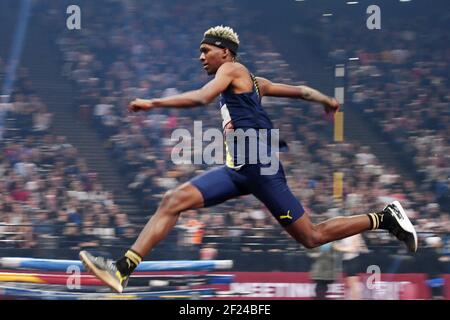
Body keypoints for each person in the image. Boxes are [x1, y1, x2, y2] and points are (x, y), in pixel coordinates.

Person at [79, 26, 418, 293]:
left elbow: (201, 98)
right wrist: (326, 100)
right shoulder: (255, 82)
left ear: (224, 52)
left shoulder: (231, 69)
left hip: (260, 167)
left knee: (311, 237)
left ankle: (385, 217)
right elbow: (299, 90)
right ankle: (121, 270)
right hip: (238, 169)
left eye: (205, 50)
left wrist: (153, 103)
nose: (201, 57)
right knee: (173, 200)